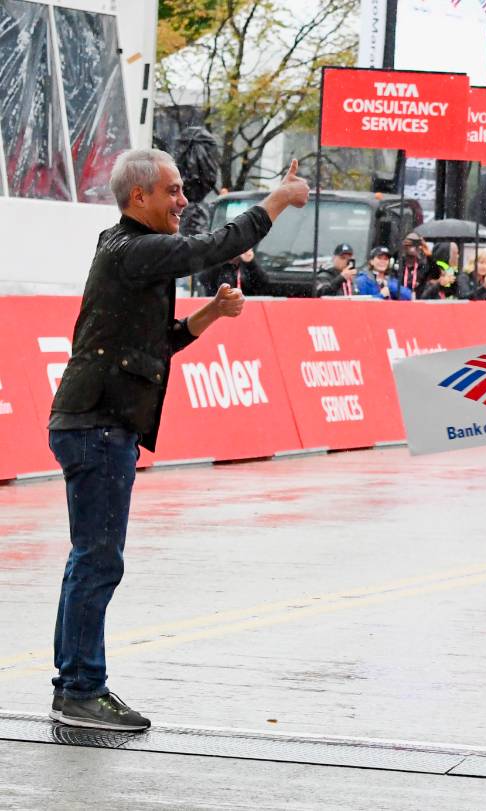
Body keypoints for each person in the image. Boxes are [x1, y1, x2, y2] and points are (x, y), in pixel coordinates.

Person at [46, 149, 309, 731]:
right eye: (173, 191)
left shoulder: (126, 253)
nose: (183, 202)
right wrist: (277, 202)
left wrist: (211, 314)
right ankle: (83, 689)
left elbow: (157, 343)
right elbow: (207, 247)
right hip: (97, 425)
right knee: (97, 562)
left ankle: (76, 684)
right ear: (139, 197)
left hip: (94, 423)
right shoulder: (132, 250)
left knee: (89, 562)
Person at [197, 248, 270, 296]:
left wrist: (250, 262)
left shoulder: (248, 264)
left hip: (246, 309)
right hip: (219, 309)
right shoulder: (217, 266)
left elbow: (262, 283)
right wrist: (221, 259)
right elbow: (203, 279)